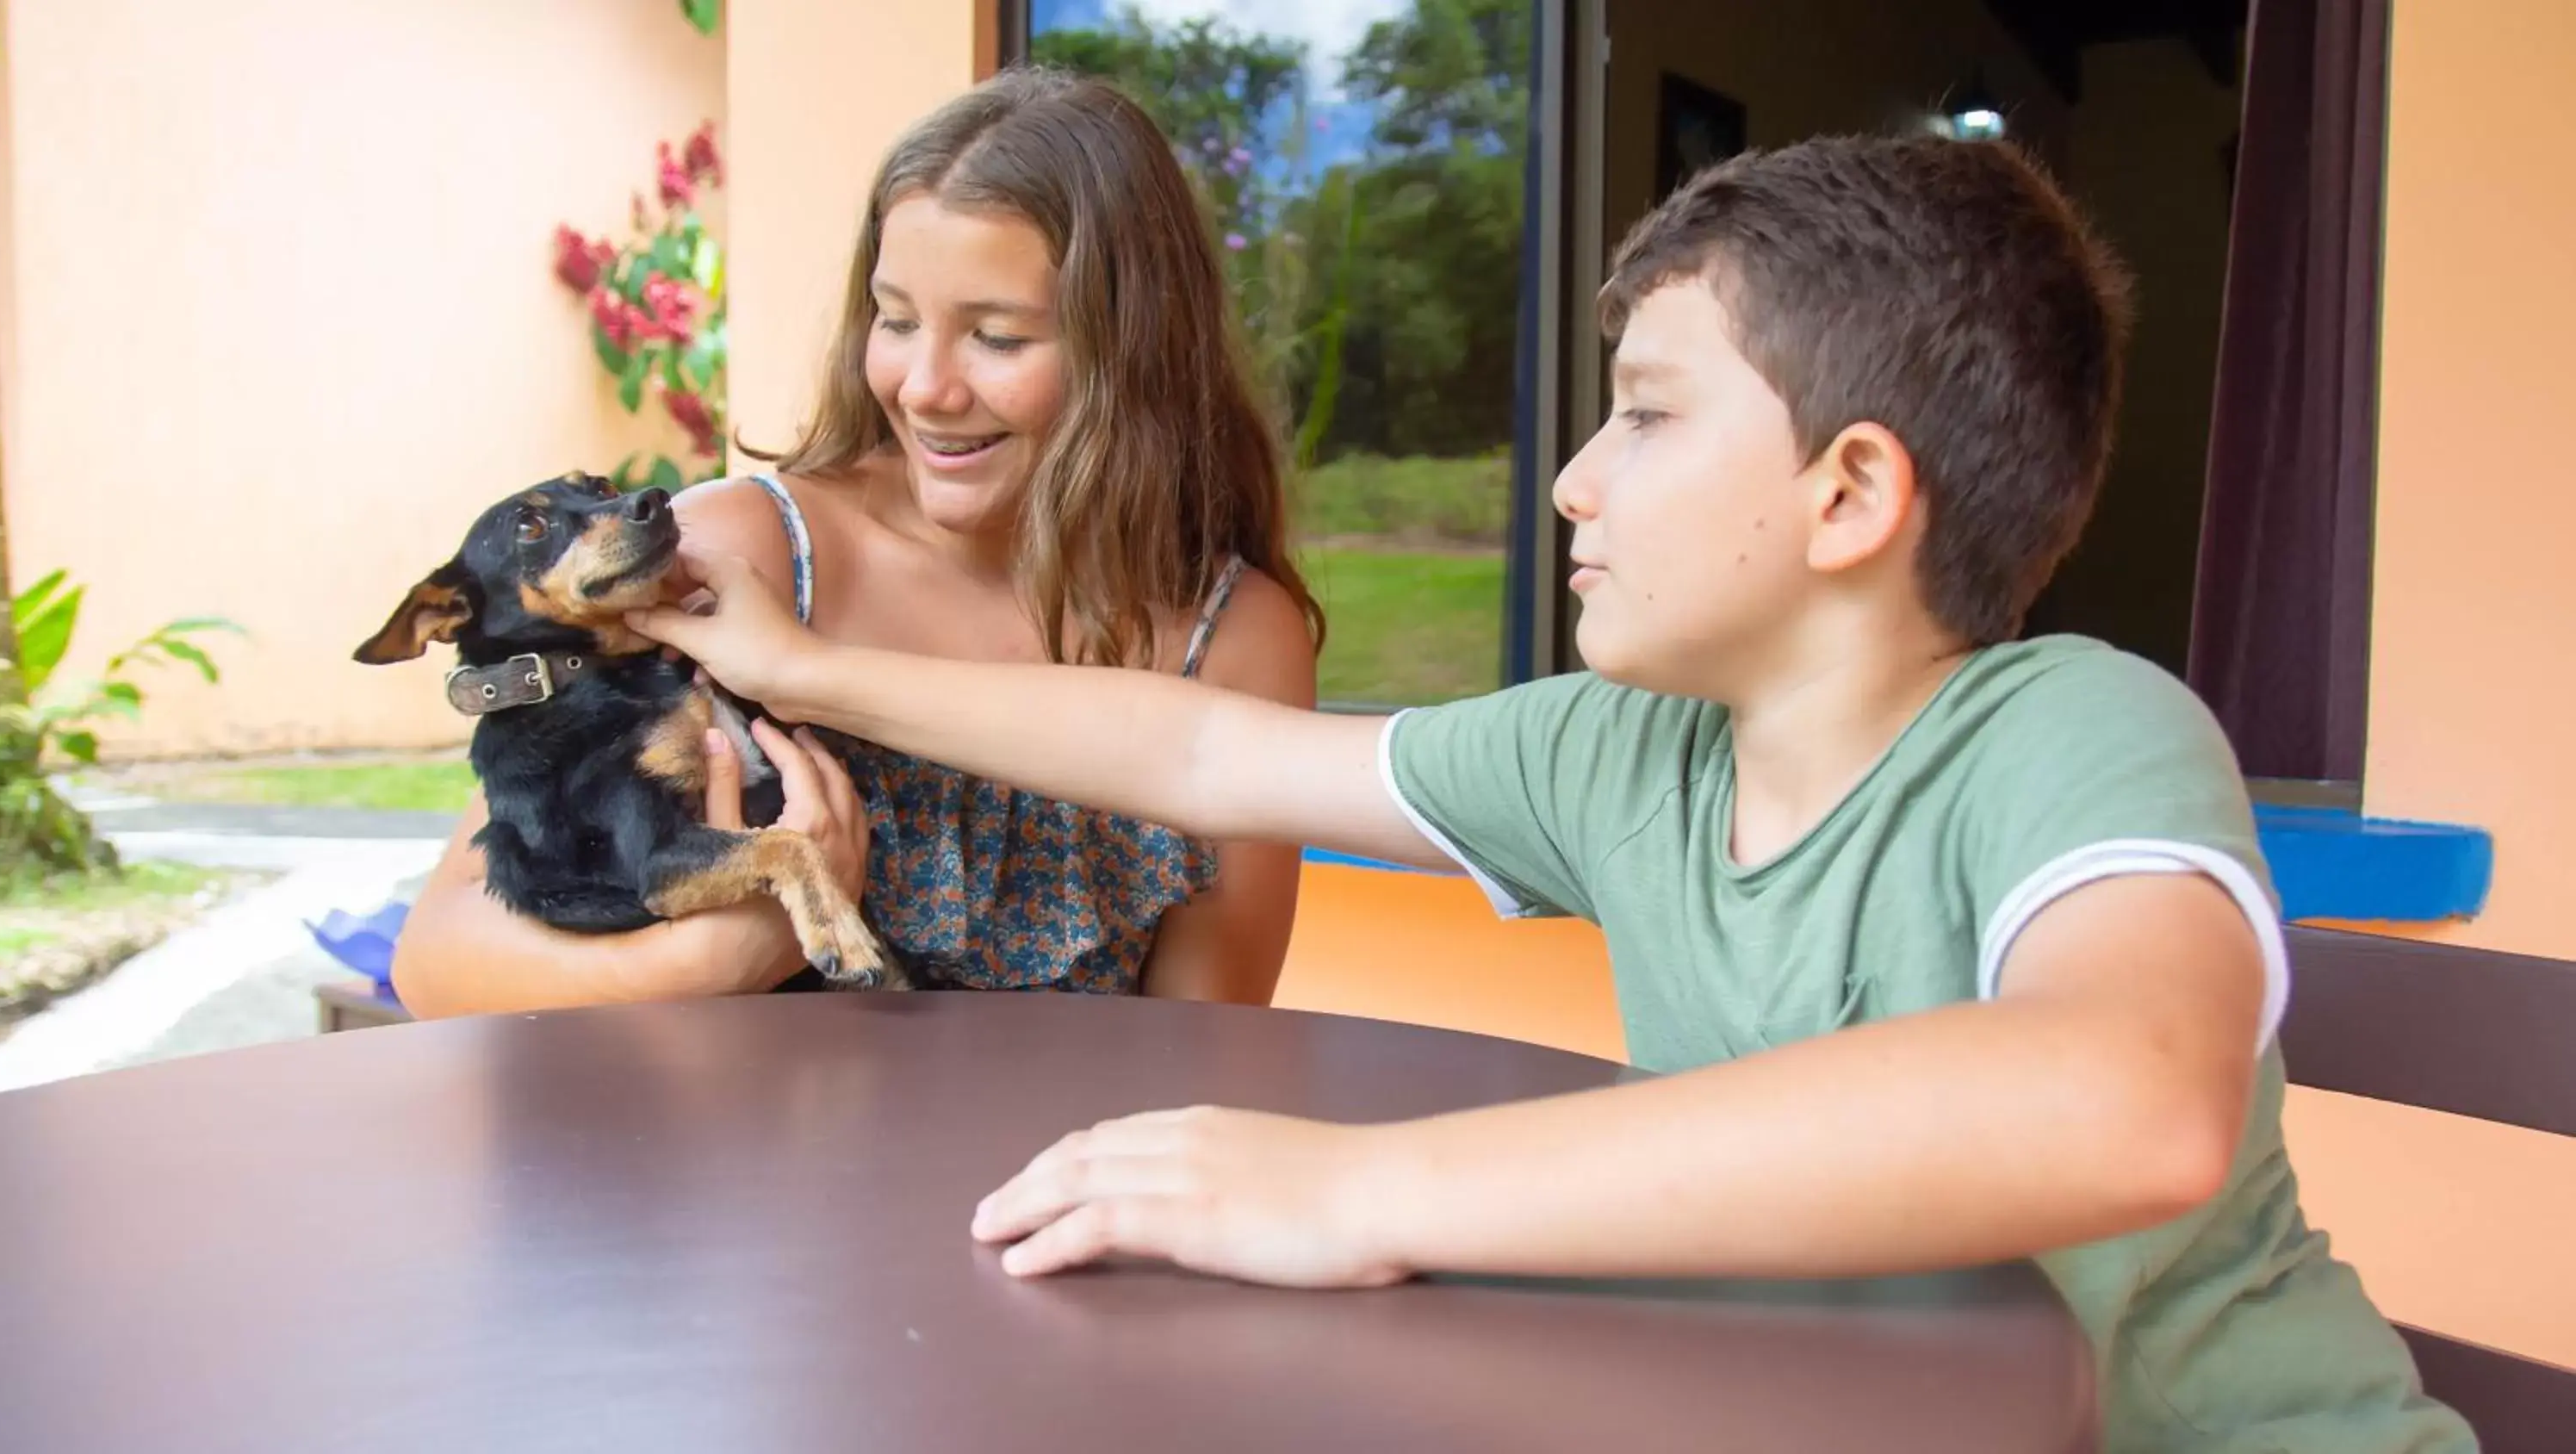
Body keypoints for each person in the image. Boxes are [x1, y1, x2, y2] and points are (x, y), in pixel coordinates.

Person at [630, 132, 2474, 1451]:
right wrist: (803, 674)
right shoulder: (1625, 754)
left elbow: (2121, 1102)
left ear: (1848, 494)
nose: (1574, 483)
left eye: (1649, 416)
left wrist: (1362, 1192)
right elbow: (1203, 751)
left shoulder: (2079, 730)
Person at [388, 67, 1322, 1016]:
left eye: (997, 337)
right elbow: (441, 964)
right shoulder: (739, 556)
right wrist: (714, 961)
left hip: (1068, 1158)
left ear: (1135, 350)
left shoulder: (1231, 639)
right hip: (722, 1154)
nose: (925, 387)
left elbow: (1206, 1041)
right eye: (898, 318)